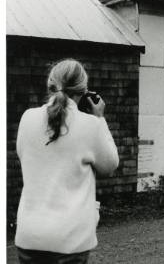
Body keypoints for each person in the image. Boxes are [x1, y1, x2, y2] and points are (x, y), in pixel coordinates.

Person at [15, 59, 119, 264]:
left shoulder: (27, 118)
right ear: (84, 90)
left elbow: (23, 156)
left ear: (50, 84)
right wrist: (100, 118)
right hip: (70, 239)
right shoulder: (91, 125)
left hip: (29, 236)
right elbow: (110, 165)